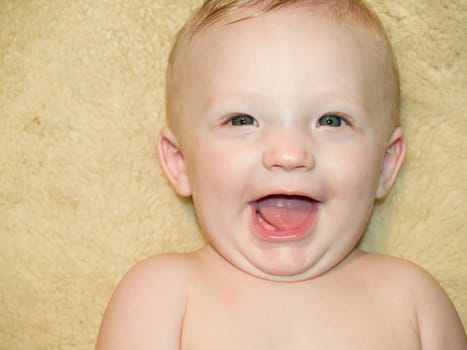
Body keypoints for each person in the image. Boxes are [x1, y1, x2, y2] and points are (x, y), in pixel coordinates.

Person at [96, 1, 467, 348]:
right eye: (242, 119)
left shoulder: (414, 301)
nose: (289, 154)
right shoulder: (162, 295)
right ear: (179, 162)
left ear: (385, 165)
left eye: (331, 120)